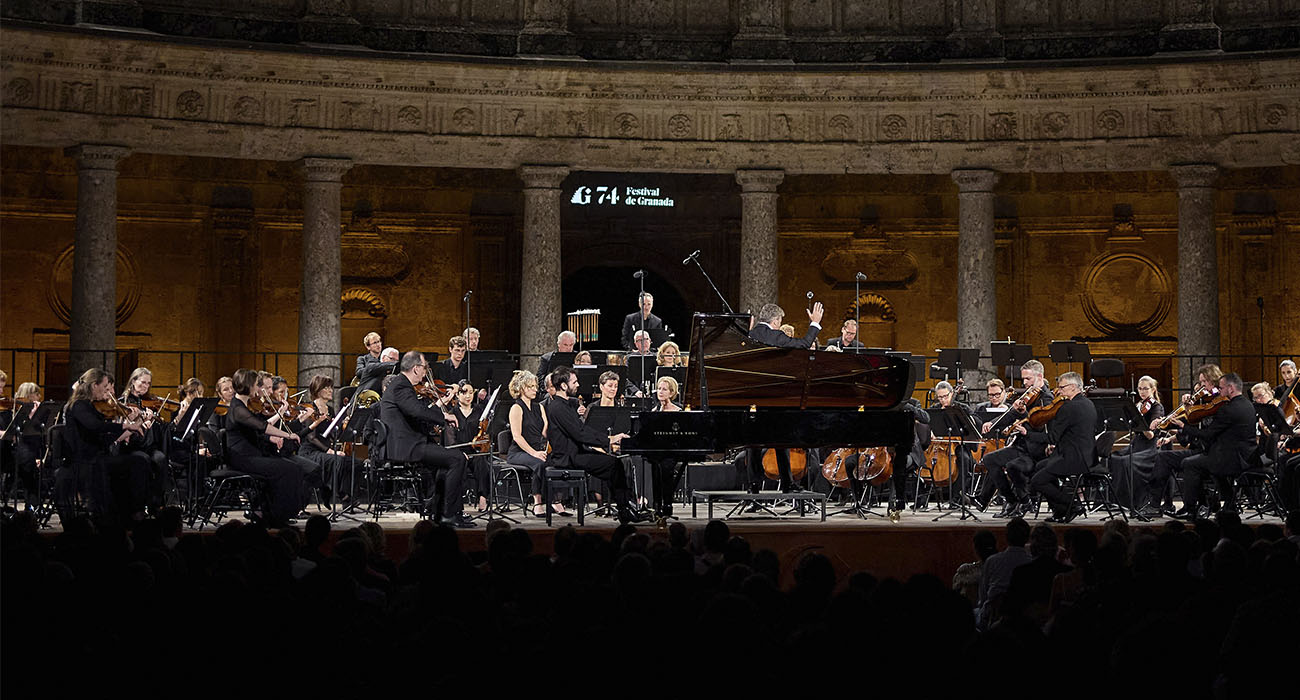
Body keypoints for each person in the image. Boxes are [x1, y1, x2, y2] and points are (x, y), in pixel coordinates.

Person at [378, 351, 475, 528]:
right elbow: (417, 411)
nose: (426, 372)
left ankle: (439, 512)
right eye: (424, 368)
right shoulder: (401, 386)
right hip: (407, 446)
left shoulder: (402, 385)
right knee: (457, 458)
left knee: (448, 461)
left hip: (411, 442)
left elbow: (415, 413)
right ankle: (449, 515)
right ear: (416, 369)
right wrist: (444, 416)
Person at [546, 366, 648, 524]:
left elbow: (582, 431)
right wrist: (610, 439)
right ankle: (624, 510)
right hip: (568, 458)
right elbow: (580, 433)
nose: (578, 384)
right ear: (564, 386)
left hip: (575, 453)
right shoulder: (558, 407)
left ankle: (625, 508)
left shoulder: (565, 405)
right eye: (574, 382)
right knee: (614, 464)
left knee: (615, 464)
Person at [744, 302, 824, 493]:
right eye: (780, 321)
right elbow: (804, 345)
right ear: (776, 320)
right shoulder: (776, 336)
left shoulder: (750, 335)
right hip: (774, 398)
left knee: (753, 443)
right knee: (781, 440)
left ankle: (753, 487)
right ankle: (787, 484)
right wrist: (815, 323)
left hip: (750, 398)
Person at [60, 368, 152, 526]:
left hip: (97, 456)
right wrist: (124, 426)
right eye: (104, 387)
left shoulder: (89, 406)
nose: (107, 392)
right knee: (138, 463)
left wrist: (130, 427)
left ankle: (126, 513)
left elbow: (104, 436)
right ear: (94, 385)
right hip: (85, 460)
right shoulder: (78, 405)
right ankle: (132, 514)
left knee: (137, 461)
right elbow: (95, 426)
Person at [1165, 372, 1257, 520]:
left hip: (1231, 459)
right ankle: (1228, 502)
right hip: (1246, 456)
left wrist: (1184, 426)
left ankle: (1190, 508)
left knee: (1189, 464)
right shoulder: (1248, 405)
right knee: (1205, 461)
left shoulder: (1228, 409)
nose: (1219, 391)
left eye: (1221, 388)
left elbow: (1208, 434)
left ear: (1231, 388)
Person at [224, 368, 310, 526]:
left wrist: (280, 416)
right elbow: (262, 427)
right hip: (243, 458)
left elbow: (262, 424)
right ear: (248, 385)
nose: (258, 388)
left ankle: (271, 513)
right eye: (256, 384)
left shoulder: (243, 406)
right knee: (289, 470)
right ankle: (276, 516)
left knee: (293, 468)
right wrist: (287, 435)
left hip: (250, 455)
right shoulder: (238, 409)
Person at [971, 360, 1055, 517]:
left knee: (1011, 466)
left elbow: (1041, 426)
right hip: (1021, 447)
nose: (1024, 383)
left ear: (1040, 377)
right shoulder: (1028, 396)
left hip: (1034, 451)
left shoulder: (1046, 399)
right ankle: (1012, 500)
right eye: (1023, 379)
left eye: (1028, 379)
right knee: (989, 459)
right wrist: (992, 423)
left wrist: (1024, 414)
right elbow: (1010, 415)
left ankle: (1023, 500)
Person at [1146, 363, 1223, 514]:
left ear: (1213, 381)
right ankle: (1155, 505)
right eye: (1199, 382)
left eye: (1203, 382)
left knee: (1186, 463)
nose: (1200, 386)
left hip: (1210, 452)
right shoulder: (1202, 402)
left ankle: (1195, 505)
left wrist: (1189, 413)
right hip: (1198, 449)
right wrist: (1164, 422)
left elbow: (1202, 427)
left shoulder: (1217, 402)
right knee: (1163, 458)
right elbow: (1190, 425)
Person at [1027, 372, 1099, 523]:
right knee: (1040, 466)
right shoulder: (1089, 404)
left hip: (1073, 459)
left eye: (1062, 387)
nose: (1058, 391)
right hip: (1087, 457)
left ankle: (1073, 506)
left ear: (1073, 387)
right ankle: (1060, 511)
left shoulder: (1068, 407)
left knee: (1037, 481)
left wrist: (1027, 433)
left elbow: (1052, 437)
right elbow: (1075, 433)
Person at [505, 370, 568, 519]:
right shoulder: (516, 408)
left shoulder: (539, 407)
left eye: (535, 386)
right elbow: (517, 436)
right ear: (521, 388)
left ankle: (555, 499)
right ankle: (538, 502)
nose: (535, 389)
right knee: (540, 463)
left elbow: (545, 430)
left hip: (538, 450)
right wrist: (534, 453)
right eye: (530, 386)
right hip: (518, 452)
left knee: (558, 460)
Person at [1109, 376, 1167, 514]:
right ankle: (1118, 500)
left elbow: (1151, 435)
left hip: (1150, 447)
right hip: (1137, 444)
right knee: (1115, 457)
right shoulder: (1139, 405)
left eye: (1146, 389)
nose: (1142, 392)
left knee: (1126, 461)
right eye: (1140, 389)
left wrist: (1139, 420)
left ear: (1153, 389)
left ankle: (1134, 502)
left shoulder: (1156, 407)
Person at [445, 380, 491, 513]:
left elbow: (484, 432)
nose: (468, 396)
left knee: (481, 461)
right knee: (459, 465)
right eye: (464, 392)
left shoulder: (479, 411)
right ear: (457, 395)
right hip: (459, 452)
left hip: (475, 451)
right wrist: (458, 453)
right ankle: (458, 504)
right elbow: (450, 439)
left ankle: (483, 497)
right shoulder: (452, 413)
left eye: (471, 392)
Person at [649, 376, 684, 518]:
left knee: (666, 466)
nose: (660, 392)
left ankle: (667, 506)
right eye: (659, 389)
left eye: (664, 389)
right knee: (654, 466)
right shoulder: (654, 410)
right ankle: (657, 506)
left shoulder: (679, 411)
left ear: (671, 392)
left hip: (674, 451)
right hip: (658, 450)